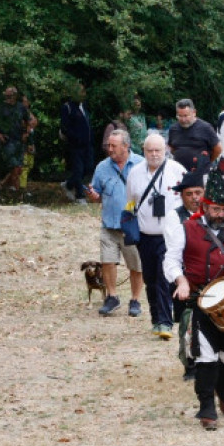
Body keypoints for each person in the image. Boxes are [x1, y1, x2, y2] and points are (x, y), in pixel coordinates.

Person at [163, 158, 224, 430]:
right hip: (200, 301)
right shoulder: (186, 228)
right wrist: (180, 280)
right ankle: (206, 407)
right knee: (204, 355)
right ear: (205, 207)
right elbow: (170, 260)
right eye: (215, 209)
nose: (220, 214)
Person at [126, 134, 187, 339]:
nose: (154, 154)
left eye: (158, 150)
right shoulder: (134, 173)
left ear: (165, 151)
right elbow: (130, 204)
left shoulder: (177, 170)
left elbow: (188, 199)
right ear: (143, 151)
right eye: (150, 150)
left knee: (163, 277)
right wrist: (128, 224)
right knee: (150, 279)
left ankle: (164, 322)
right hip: (145, 235)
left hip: (169, 235)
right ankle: (156, 318)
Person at [85, 129, 146, 318]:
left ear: (126, 146)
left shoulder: (141, 165)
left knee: (136, 265)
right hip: (109, 224)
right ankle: (112, 297)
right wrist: (93, 196)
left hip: (132, 225)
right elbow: (96, 193)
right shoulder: (102, 167)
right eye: (108, 145)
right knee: (107, 262)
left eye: (114, 146)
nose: (110, 149)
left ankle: (135, 300)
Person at [164, 171, 205, 380]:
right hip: (184, 274)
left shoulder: (212, 213)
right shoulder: (174, 217)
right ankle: (190, 365)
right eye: (189, 194)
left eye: (198, 192)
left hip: (208, 273)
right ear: (182, 196)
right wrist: (181, 280)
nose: (195, 198)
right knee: (187, 322)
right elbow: (174, 253)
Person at [0, 85, 31, 192]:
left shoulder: (21, 107)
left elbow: (29, 121)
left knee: (19, 169)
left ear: (15, 96)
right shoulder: (0, 107)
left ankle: (2, 186)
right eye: (6, 96)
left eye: (10, 96)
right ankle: (17, 193)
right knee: (14, 168)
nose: (8, 98)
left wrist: (26, 133)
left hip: (19, 141)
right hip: (7, 141)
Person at [168, 98, 222, 176]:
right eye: (180, 116)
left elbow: (218, 149)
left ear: (194, 112)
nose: (183, 119)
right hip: (179, 174)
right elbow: (172, 148)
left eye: (186, 116)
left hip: (200, 174)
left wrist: (207, 161)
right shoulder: (173, 129)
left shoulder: (206, 128)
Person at [59, 82, 93, 204]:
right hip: (75, 145)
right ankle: (80, 196)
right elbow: (64, 127)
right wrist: (75, 138)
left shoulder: (84, 106)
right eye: (81, 92)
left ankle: (69, 184)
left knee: (88, 168)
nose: (83, 94)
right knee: (78, 169)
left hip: (87, 144)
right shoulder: (67, 107)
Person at [19, 95, 38, 193]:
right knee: (24, 167)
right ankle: (21, 189)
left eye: (27, 101)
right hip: (24, 144)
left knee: (30, 165)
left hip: (31, 142)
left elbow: (35, 122)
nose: (26, 103)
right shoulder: (19, 115)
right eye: (24, 101)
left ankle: (19, 186)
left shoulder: (28, 113)